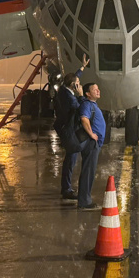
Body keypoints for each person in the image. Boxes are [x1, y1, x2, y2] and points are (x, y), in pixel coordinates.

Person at [54, 56, 87, 199]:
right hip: (68, 130)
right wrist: (81, 96)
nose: (79, 85)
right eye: (78, 84)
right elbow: (80, 109)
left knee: (71, 157)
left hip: (63, 127)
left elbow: (73, 77)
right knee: (71, 159)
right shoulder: (71, 98)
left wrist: (82, 68)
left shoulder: (63, 88)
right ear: (73, 86)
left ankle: (66, 187)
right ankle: (66, 189)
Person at [77, 82, 106, 210]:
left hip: (94, 144)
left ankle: (85, 199)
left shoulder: (91, 104)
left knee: (89, 171)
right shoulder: (87, 105)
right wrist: (92, 134)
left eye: (98, 88)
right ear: (88, 94)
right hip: (91, 143)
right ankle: (84, 201)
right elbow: (84, 119)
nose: (98, 91)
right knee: (88, 172)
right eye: (95, 89)